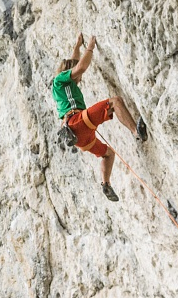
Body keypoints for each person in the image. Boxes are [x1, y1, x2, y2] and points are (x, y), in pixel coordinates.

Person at [52, 32, 147, 202]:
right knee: (115, 102)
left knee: (108, 154)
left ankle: (105, 183)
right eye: (75, 76)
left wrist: (77, 45)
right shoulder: (59, 80)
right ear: (68, 72)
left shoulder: (63, 87)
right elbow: (79, 67)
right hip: (77, 121)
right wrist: (89, 47)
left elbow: (74, 64)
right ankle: (136, 132)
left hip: (79, 138)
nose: (79, 79)